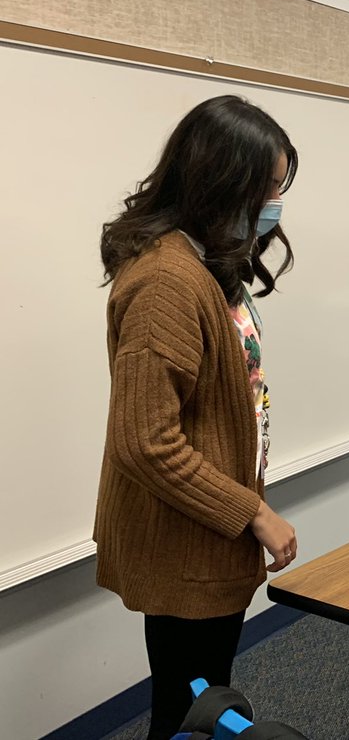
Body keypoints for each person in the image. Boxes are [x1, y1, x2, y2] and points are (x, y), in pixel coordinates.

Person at [94, 95, 300, 739]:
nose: (273, 205)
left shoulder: (201, 262)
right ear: (221, 182)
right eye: (265, 189)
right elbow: (145, 441)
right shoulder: (167, 283)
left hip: (208, 533)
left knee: (203, 702)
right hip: (188, 540)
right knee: (192, 715)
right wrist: (254, 513)